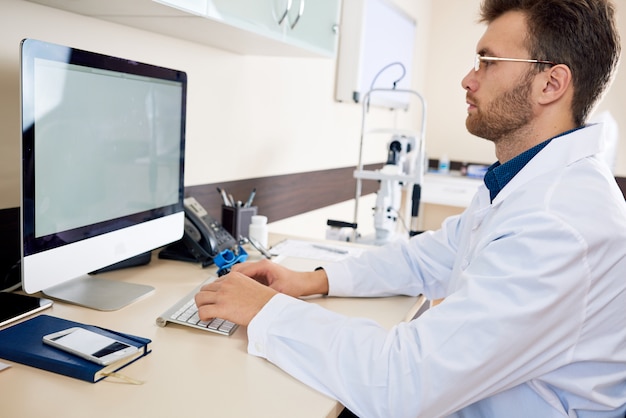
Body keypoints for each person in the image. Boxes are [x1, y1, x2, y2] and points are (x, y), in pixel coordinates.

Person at [195, 0, 626, 416]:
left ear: (551, 84)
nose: (468, 79)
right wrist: (309, 280)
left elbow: (403, 383)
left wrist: (265, 311)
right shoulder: (526, 181)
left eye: (487, 61)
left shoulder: (560, 223)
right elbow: (430, 255)